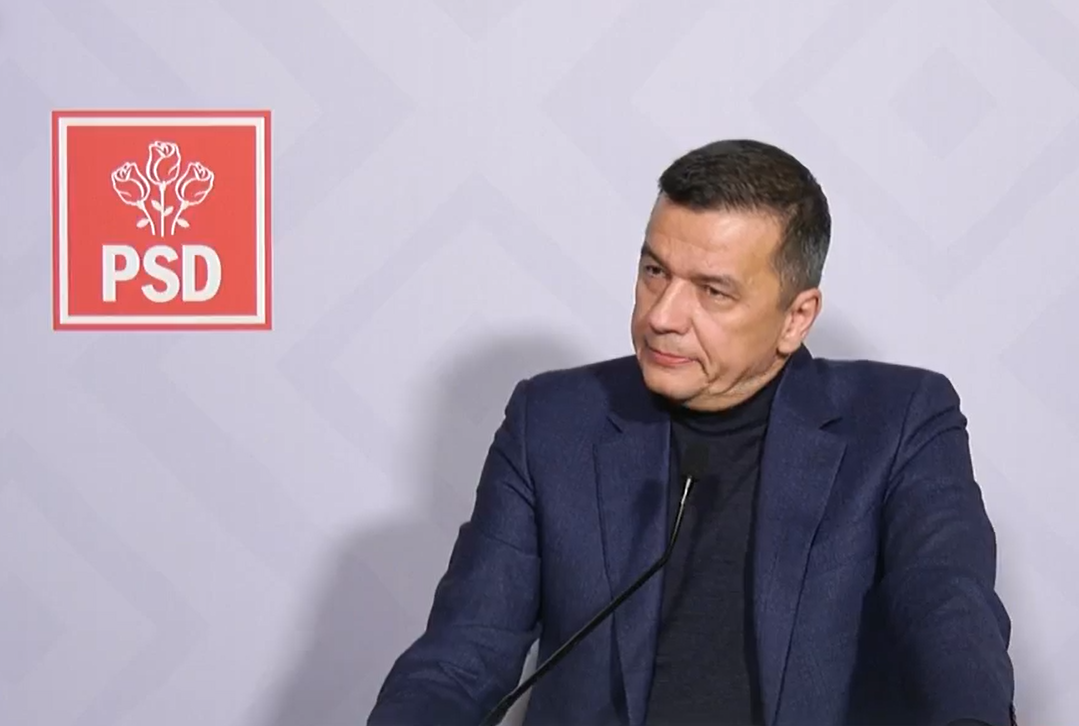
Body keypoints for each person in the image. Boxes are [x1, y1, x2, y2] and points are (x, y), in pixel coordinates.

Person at [367, 139, 1017, 726]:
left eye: (712, 292)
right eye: (655, 272)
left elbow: (949, 614)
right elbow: (461, 658)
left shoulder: (899, 422)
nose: (663, 316)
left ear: (796, 318)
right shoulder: (553, 422)